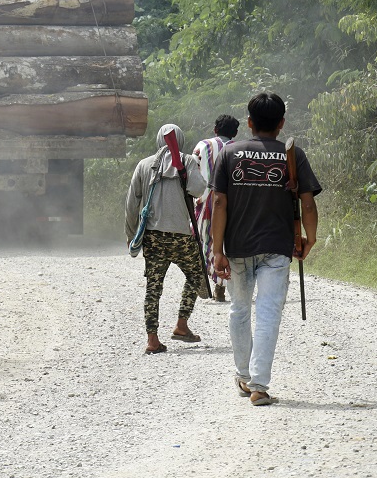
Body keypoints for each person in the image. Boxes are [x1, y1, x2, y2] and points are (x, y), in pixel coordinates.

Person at [211, 93, 321, 406]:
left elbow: (219, 202)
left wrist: (217, 250)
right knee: (269, 312)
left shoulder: (229, 153)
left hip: (237, 247)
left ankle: (243, 375)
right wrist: (309, 238)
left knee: (240, 309)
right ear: (281, 123)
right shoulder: (292, 155)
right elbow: (308, 202)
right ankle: (258, 385)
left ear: (249, 123)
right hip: (277, 248)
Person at [125, 124, 207, 355]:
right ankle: (181, 325)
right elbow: (199, 191)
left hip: (153, 237)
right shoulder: (188, 161)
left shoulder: (144, 165)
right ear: (179, 140)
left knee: (153, 287)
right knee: (196, 275)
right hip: (181, 237)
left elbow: (132, 204)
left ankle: (152, 340)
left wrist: (131, 235)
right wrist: (196, 166)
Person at [193, 114, 240, 302]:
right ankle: (220, 285)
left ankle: (204, 275)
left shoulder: (202, 146)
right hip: (230, 204)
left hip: (204, 202)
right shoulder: (238, 149)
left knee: (203, 241)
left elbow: (192, 172)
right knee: (223, 244)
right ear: (235, 133)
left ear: (215, 129)